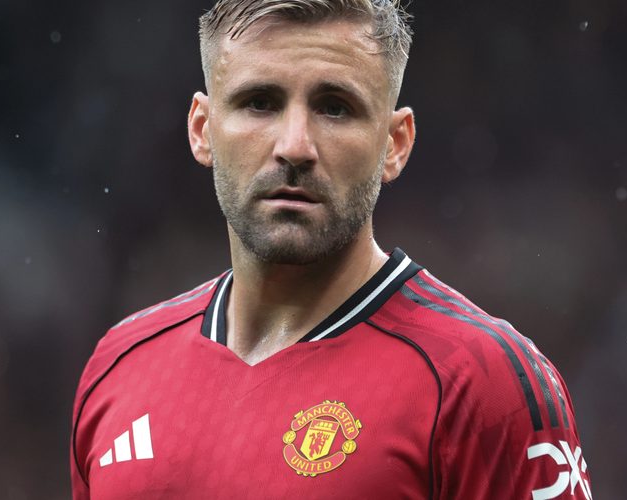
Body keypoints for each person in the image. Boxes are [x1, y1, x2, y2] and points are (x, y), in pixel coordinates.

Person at [70, 1, 592, 498]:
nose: (294, 145)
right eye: (260, 102)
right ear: (202, 129)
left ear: (396, 144)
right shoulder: (121, 367)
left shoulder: (481, 382)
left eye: (335, 108)